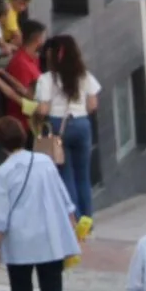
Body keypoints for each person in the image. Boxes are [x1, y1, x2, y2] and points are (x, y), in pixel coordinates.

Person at [0, 118, 80, 291]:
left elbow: (1, 215)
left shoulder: (2, 172)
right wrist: (74, 229)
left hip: (19, 241)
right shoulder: (45, 162)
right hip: (49, 237)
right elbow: (64, 196)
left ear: (0, 143)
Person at [32, 32, 102, 230]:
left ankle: (76, 220)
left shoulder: (46, 79)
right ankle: (88, 220)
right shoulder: (84, 76)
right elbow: (93, 105)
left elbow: (44, 109)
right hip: (82, 125)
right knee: (83, 175)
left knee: (66, 175)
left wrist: (34, 110)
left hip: (57, 127)